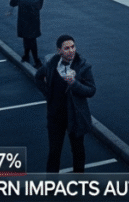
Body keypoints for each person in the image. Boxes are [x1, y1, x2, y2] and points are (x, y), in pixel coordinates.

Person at [35, 35, 95, 173]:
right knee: (54, 152)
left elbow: (91, 90)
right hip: (55, 117)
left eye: (73, 46)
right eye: (66, 48)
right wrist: (47, 94)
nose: (71, 50)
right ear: (59, 51)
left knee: (78, 151)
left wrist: (75, 84)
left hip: (75, 116)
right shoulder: (51, 65)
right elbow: (38, 77)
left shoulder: (83, 67)